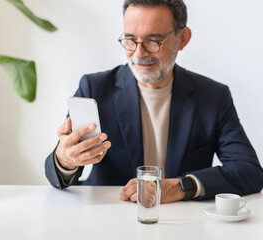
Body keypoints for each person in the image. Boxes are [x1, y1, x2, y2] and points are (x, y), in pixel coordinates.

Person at [45, 0, 263, 203]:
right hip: (108, 216)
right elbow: (59, 174)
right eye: (130, 40)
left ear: (183, 38)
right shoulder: (95, 88)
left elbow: (250, 171)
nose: (139, 53)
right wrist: (65, 160)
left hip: (183, 222)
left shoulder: (213, 96)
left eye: (153, 41)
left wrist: (181, 187)